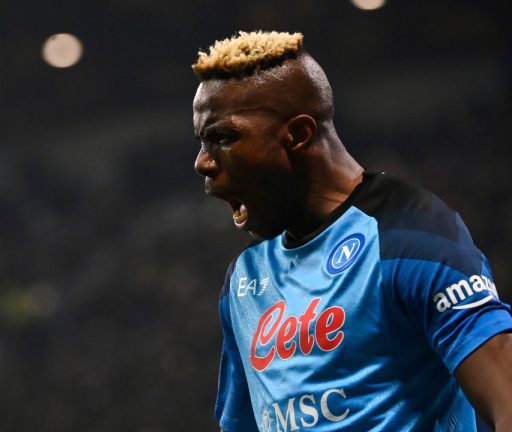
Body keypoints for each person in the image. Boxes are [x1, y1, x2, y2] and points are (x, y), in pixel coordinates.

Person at [191, 31, 512, 431]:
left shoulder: (410, 236)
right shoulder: (245, 279)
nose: (202, 163)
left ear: (298, 135)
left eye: (222, 137)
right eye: (202, 141)